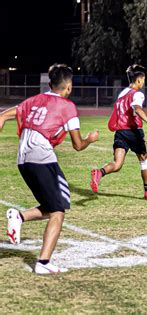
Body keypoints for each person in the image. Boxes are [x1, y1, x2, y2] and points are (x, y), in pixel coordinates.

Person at [0, 64, 99, 274]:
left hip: (23, 158)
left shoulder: (33, 100)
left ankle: (19, 217)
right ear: (69, 86)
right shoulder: (68, 106)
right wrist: (90, 139)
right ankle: (43, 263)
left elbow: (2, 116)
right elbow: (78, 145)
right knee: (58, 211)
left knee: (55, 203)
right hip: (41, 155)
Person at [90, 64, 147, 200]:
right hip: (133, 132)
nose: (143, 83)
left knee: (117, 164)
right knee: (144, 160)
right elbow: (138, 109)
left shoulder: (122, 93)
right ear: (139, 80)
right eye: (143, 80)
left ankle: (100, 172)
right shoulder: (138, 94)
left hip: (120, 132)